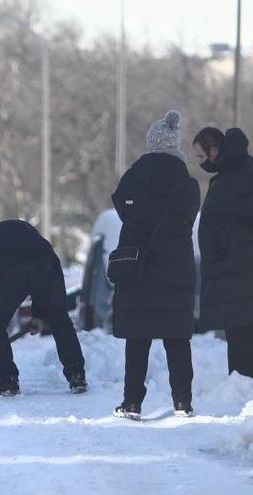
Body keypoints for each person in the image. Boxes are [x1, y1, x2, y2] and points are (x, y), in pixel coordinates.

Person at [111, 110, 200, 420]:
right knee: (177, 339)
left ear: (151, 143)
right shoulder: (188, 184)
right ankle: (182, 403)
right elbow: (189, 216)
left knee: (138, 338)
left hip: (140, 269)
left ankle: (132, 402)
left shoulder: (134, 177)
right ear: (174, 144)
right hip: (176, 269)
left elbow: (120, 204)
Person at [0, 220, 87, 397]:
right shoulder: (22, 230)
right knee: (59, 317)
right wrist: (40, 315)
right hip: (48, 262)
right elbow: (38, 268)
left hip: (14, 270)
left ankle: (7, 380)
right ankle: (77, 375)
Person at [195, 127, 253, 378]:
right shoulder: (241, 171)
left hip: (235, 271)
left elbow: (221, 221)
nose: (200, 162)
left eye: (200, 156)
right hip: (236, 269)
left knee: (240, 337)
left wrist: (220, 250)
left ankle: (243, 390)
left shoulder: (232, 177)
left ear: (214, 151)